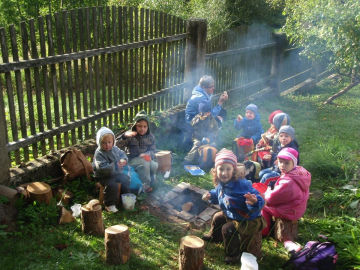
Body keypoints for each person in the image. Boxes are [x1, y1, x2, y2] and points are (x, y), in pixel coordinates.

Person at [201, 149, 266, 263]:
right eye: (221, 169)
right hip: (232, 214)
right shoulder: (222, 183)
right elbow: (218, 193)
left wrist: (254, 202)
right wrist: (210, 195)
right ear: (216, 170)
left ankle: (233, 254)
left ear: (234, 170)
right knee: (218, 217)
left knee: (228, 229)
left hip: (247, 219)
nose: (224, 173)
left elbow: (258, 198)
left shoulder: (242, 185)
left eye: (228, 169)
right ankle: (215, 237)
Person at [261, 147, 311, 252]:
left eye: (286, 163)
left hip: (288, 211)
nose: (282, 165)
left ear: (294, 163)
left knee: (264, 206)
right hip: (297, 208)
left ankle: (264, 231)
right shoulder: (300, 173)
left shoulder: (288, 182)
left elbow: (271, 199)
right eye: (280, 162)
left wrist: (267, 192)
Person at [183, 75, 228, 150]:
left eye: (213, 86)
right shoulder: (202, 99)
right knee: (217, 120)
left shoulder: (199, 90)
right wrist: (220, 102)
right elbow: (209, 115)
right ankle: (209, 140)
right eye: (211, 87)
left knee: (223, 112)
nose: (213, 88)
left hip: (195, 119)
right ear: (204, 87)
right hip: (194, 124)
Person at [117, 110, 158, 193]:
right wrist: (124, 136)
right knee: (145, 162)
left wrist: (148, 154)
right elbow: (116, 145)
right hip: (131, 160)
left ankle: (153, 181)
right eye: (139, 126)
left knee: (154, 165)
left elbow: (153, 150)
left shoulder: (150, 137)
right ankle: (145, 185)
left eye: (145, 126)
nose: (142, 129)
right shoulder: (130, 135)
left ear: (148, 127)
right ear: (135, 126)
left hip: (144, 159)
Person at [93, 127, 130, 213]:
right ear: (99, 143)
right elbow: (102, 168)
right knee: (112, 184)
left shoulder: (115, 149)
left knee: (125, 178)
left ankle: (125, 197)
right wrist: (115, 165)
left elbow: (122, 154)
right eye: (104, 143)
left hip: (115, 172)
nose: (107, 145)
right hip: (103, 175)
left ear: (113, 141)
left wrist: (124, 160)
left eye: (109, 142)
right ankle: (109, 204)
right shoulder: (99, 153)